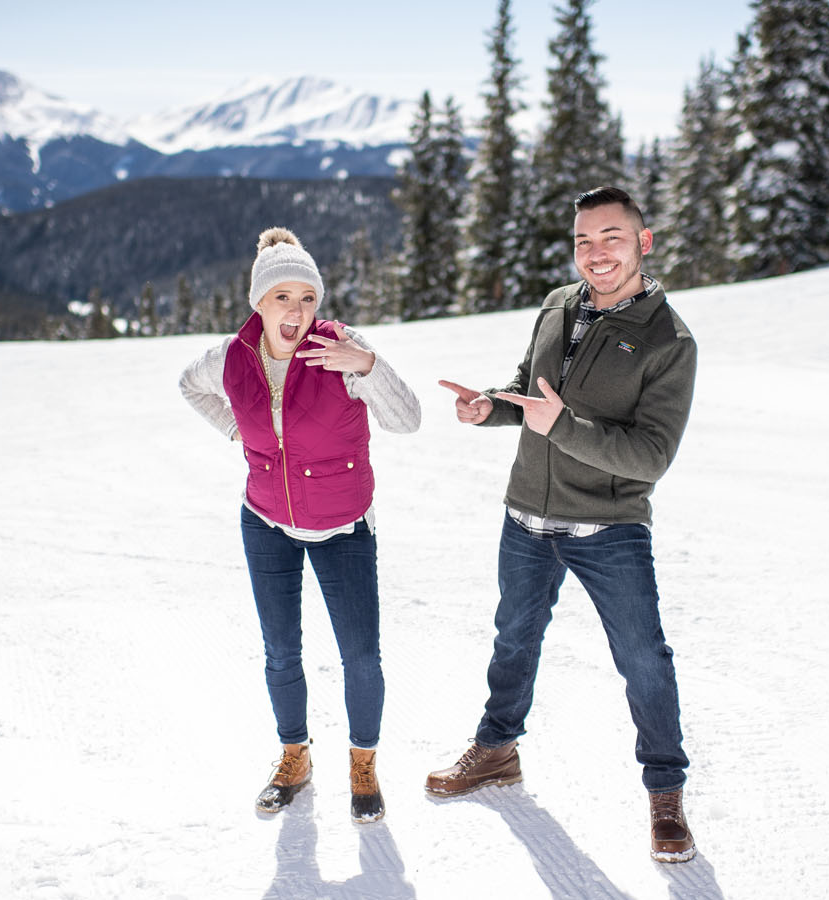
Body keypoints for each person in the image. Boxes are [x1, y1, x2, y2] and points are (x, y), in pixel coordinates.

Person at [427, 187, 699, 863]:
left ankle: (665, 794)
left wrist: (561, 426)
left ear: (645, 242)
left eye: (611, 237)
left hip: (608, 528)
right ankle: (495, 751)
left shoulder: (669, 341)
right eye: (583, 241)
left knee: (643, 661)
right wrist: (489, 408)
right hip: (526, 517)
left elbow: (649, 456)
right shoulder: (557, 305)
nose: (595, 253)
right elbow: (530, 390)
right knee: (514, 637)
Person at [180, 227, 420, 824]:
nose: (297, 310)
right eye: (282, 297)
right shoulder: (232, 358)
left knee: (361, 656)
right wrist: (239, 431)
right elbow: (190, 386)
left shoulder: (341, 349)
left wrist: (368, 365)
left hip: (343, 527)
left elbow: (407, 420)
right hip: (266, 521)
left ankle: (362, 764)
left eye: (307, 298)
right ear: (258, 302)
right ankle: (294, 757)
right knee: (281, 651)